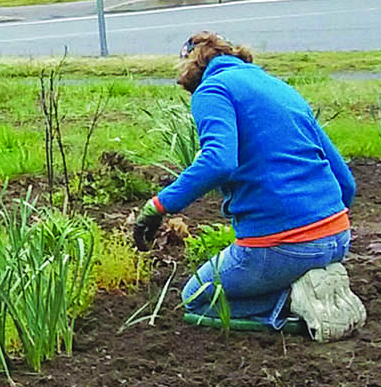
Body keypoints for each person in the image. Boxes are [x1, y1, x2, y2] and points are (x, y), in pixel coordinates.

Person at [133, 32, 365, 340]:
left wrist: (158, 206)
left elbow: (218, 161)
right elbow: (345, 181)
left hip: (283, 245)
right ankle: (313, 282)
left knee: (198, 299)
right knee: (264, 268)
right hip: (338, 237)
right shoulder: (279, 87)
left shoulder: (212, 89)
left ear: (192, 66)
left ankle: (293, 303)